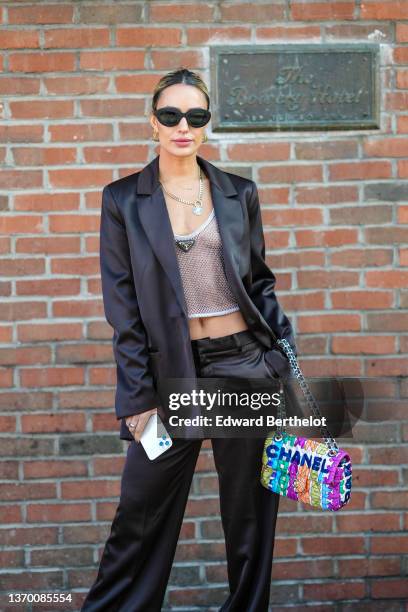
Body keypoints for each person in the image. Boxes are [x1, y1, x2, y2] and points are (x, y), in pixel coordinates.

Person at [81, 67, 297, 612]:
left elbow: (259, 284)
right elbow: (123, 310)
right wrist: (137, 398)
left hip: (245, 368)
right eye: (171, 115)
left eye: (196, 116)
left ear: (207, 125)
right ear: (152, 123)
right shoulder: (123, 201)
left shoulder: (237, 193)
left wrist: (278, 362)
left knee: (251, 521)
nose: (183, 126)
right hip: (171, 373)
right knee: (141, 516)